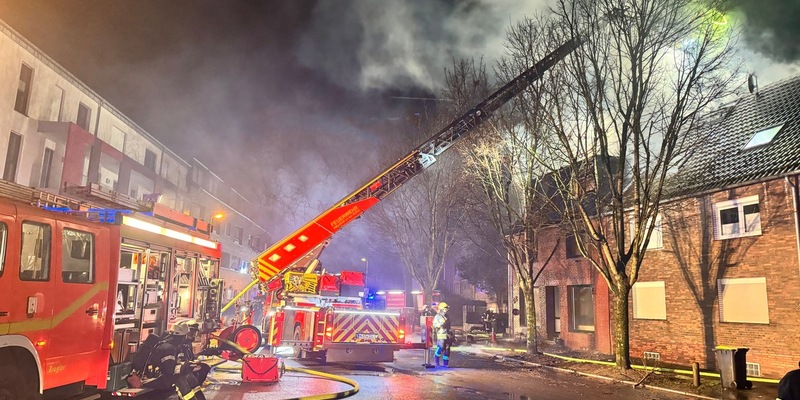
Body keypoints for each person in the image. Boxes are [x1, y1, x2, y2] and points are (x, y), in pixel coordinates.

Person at [432, 302, 453, 367]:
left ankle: (445, 364)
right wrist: (441, 324)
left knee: (447, 349)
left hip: (447, 334)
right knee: (441, 348)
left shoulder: (447, 316)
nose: (446, 310)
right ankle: (436, 359)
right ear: (442, 309)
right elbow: (435, 325)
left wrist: (451, 334)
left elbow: (449, 326)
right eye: (445, 308)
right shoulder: (438, 316)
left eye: (447, 308)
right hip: (441, 334)